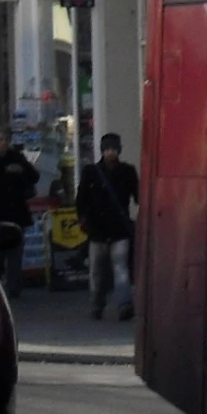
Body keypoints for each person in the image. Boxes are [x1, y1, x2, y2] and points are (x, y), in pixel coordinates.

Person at [77, 133, 140, 322]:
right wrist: (83, 219)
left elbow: (138, 196)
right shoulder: (91, 172)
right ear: (102, 151)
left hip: (118, 228)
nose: (111, 153)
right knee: (97, 271)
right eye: (107, 150)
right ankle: (97, 304)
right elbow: (81, 199)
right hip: (97, 229)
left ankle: (124, 305)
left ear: (119, 150)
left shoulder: (127, 171)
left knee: (120, 268)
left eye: (113, 149)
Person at [0, 128, 40, 299]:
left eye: (6, 139)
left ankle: (14, 287)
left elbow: (34, 177)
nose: (4, 143)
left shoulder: (17, 158)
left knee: (15, 250)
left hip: (16, 211)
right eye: (0, 139)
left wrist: (21, 170)